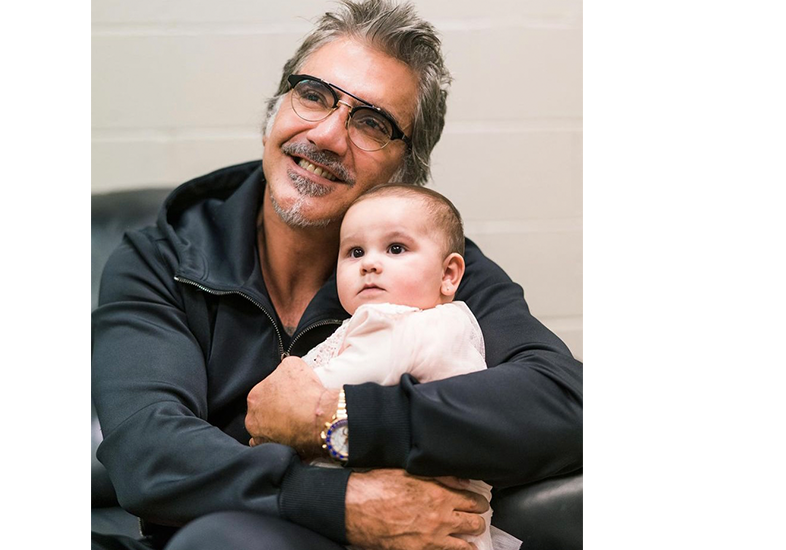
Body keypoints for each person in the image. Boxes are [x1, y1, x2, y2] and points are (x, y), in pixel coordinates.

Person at [91, 1, 583, 549]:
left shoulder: (425, 268)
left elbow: (567, 402)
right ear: (275, 111)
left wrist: (336, 418)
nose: (326, 135)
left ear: (405, 170)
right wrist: (338, 502)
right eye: (313, 96)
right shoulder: (163, 258)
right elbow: (148, 448)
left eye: (371, 123)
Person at [295, 184, 523, 550]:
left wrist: (289, 382)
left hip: (421, 520)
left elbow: (319, 390)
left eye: (396, 248)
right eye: (355, 252)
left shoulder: (405, 325)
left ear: (449, 275)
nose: (369, 263)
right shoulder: (421, 322)